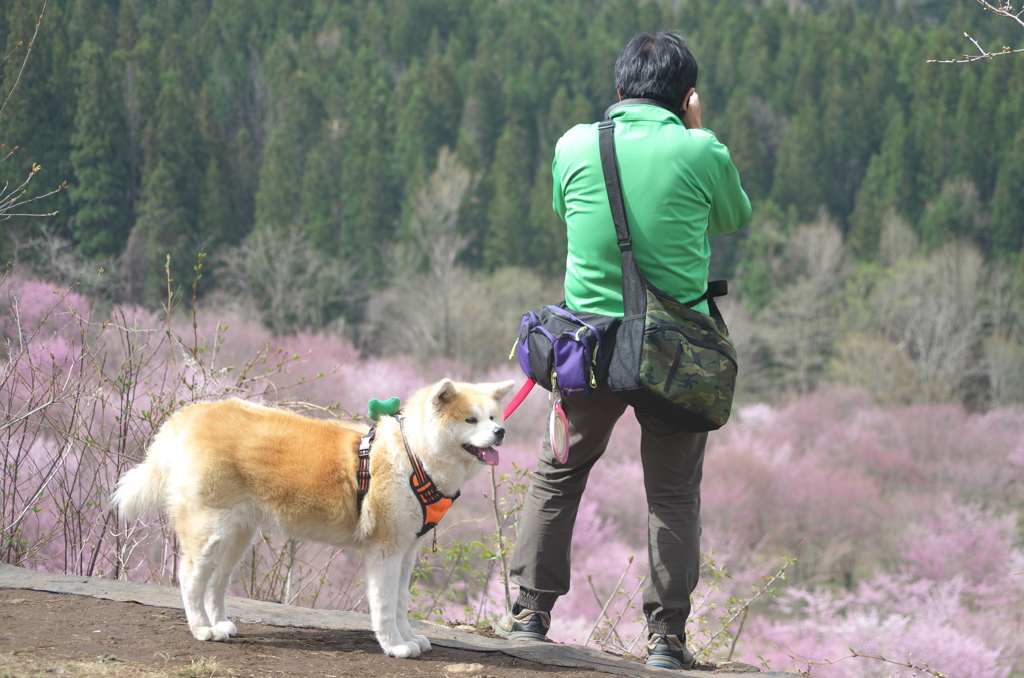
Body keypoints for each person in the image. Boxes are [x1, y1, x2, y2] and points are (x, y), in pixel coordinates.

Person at [494, 32, 751, 670]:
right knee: (672, 495)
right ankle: (666, 640)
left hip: (588, 349)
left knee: (558, 474)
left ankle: (530, 613)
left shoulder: (574, 143)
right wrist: (697, 129)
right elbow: (733, 215)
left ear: (619, 89)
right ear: (686, 94)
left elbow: (563, 206)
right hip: (674, 351)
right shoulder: (700, 148)